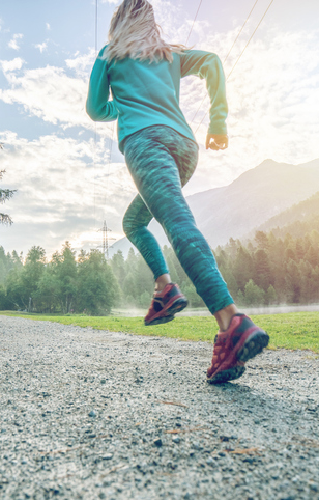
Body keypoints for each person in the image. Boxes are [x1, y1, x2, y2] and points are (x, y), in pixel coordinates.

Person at [86, 0, 268, 384]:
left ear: (118, 22)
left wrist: (124, 106)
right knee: (134, 222)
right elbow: (212, 62)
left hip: (146, 145)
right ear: (151, 22)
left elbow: (95, 109)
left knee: (176, 221)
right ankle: (165, 288)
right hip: (184, 149)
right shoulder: (167, 54)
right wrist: (217, 122)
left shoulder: (109, 55)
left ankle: (231, 320)